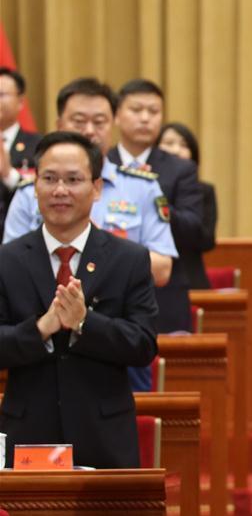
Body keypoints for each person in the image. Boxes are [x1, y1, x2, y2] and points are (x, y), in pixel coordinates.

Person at [0, 131, 157, 468]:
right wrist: (40, 328)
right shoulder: (7, 259)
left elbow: (143, 345)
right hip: (28, 434)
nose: (60, 190)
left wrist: (84, 323)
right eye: (50, 179)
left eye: (73, 180)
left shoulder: (128, 259)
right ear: (34, 186)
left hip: (104, 436)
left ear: (97, 188)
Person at [3, 78, 176, 288]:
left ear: (113, 123)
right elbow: (10, 266)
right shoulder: (31, 191)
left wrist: (95, 246)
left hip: (116, 312)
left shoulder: (142, 188)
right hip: (41, 311)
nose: (89, 130)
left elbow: (162, 270)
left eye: (99, 121)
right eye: (79, 121)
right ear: (59, 125)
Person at [107, 79, 204, 332]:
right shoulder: (100, 165)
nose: (145, 118)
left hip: (165, 292)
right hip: (106, 291)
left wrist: (149, 202)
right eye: (136, 110)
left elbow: (194, 228)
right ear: (117, 116)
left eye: (153, 111)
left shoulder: (180, 168)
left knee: (165, 370)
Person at [157, 122, 217, 289]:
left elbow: (207, 241)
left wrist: (163, 206)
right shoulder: (140, 187)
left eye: (184, 145)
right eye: (168, 143)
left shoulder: (204, 191)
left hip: (189, 276)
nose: (176, 150)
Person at [0, 67, 42, 237]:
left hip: (19, 237)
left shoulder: (37, 144)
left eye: (2, 94)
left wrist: (9, 175)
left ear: (20, 101)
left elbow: (43, 191)